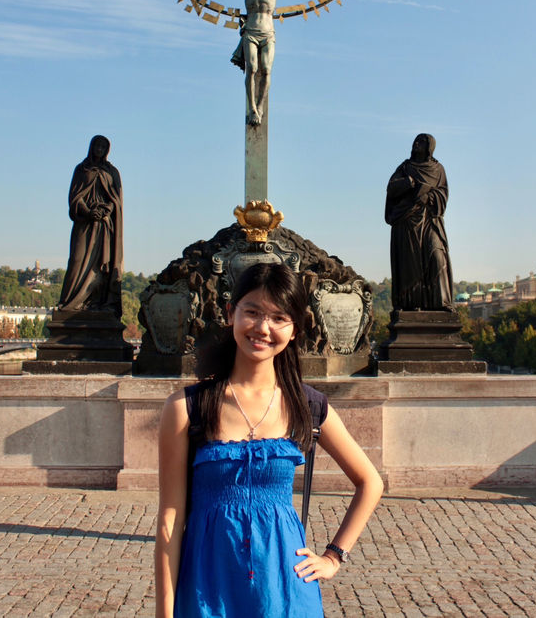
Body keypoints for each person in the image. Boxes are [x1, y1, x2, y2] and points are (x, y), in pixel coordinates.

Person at [155, 263, 383, 618]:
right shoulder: (186, 408)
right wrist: (164, 613)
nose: (263, 328)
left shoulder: (307, 405)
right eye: (253, 312)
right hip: (207, 588)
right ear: (231, 314)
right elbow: (170, 519)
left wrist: (334, 557)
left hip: (284, 589)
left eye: (279, 317)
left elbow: (370, 482)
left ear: (294, 330)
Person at [182, 0, 334, 126]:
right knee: (252, 68)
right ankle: (252, 108)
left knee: (267, 69)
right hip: (251, 32)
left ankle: (260, 107)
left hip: (268, 32)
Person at [385, 133, 454, 312]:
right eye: (416, 140)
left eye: (422, 141)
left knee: (437, 257)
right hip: (407, 221)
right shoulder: (406, 167)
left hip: (430, 221)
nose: (417, 143)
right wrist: (407, 183)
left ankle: (442, 303)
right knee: (411, 264)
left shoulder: (438, 169)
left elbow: (443, 194)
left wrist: (428, 197)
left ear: (430, 147)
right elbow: (391, 188)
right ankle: (411, 304)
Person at [58, 134, 123, 316]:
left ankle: (97, 302)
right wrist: (87, 211)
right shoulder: (82, 169)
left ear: (107, 150)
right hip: (84, 225)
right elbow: (74, 198)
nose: (100, 150)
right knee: (77, 260)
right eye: (97, 146)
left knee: (102, 266)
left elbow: (117, 200)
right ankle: (70, 302)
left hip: (104, 226)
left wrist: (107, 209)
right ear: (92, 147)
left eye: (103, 147)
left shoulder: (112, 172)